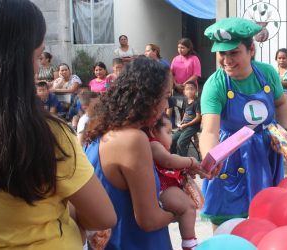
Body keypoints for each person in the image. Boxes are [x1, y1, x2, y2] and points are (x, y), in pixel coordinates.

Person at [0, 0, 116, 249]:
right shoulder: (47, 134)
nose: (39, 70)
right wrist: (73, 215)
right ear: (17, 63)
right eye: (38, 57)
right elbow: (103, 216)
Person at [84, 57, 195, 249]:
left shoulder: (97, 131)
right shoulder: (133, 140)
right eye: (164, 97)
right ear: (147, 99)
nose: (165, 106)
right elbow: (149, 220)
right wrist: (180, 211)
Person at [199, 17, 287, 228]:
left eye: (234, 52)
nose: (227, 60)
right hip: (231, 156)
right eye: (222, 53)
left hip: (266, 153)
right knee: (227, 219)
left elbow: (281, 104)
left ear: (251, 50)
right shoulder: (216, 84)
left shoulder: (267, 73)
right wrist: (211, 158)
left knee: (268, 214)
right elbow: (209, 131)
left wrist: (284, 134)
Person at [148, 114, 201, 250]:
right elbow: (169, 160)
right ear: (153, 131)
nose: (171, 137)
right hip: (162, 189)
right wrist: (190, 161)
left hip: (164, 188)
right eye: (168, 132)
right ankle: (190, 243)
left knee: (188, 207)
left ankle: (190, 241)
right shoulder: (154, 144)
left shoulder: (155, 145)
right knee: (187, 208)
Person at [171, 81, 201, 156]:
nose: (189, 91)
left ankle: (183, 163)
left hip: (193, 127)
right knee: (172, 140)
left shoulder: (196, 102)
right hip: (185, 125)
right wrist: (182, 121)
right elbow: (185, 113)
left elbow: (198, 118)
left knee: (181, 143)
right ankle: (174, 158)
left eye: (192, 89)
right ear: (184, 91)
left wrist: (186, 124)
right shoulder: (185, 101)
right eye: (187, 89)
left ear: (196, 91)